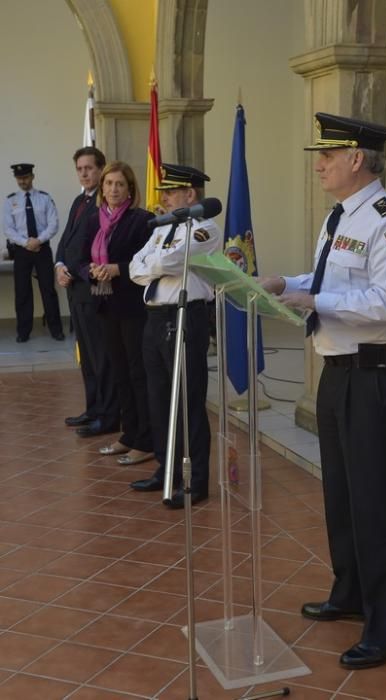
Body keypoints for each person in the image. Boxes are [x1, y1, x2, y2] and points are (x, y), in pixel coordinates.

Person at [261, 113, 386, 670]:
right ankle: (350, 592)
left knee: (374, 500)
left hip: (376, 374)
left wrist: (311, 301)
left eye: (327, 156)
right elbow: (326, 280)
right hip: (338, 370)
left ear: (357, 159)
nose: (319, 164)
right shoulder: (340, 217)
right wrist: (286, 283)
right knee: (342, 494)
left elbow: (385, 304)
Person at [129, 163, 222, 508]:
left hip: (185, 317)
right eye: (164, 192)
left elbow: (173, 261)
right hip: (154, 318)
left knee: (187, 401)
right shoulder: (163, 227)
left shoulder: (204, 228)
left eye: (170, 192)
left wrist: (153, 262)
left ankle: (196, 481)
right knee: (158, 398)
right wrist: (154, 262)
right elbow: (134, 267)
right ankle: (165, 470)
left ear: (190, 194)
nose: (164, 198)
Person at [80, 161, 153, 464]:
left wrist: (116, 269)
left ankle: (146, 441)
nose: (113, 189)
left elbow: (147, 263)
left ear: (130, 189)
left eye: (119, 184)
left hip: (133, 307)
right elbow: (80, 259)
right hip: (105, 304)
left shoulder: (142, 220)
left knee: (138, 374)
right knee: (119, 373)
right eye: (108, 183)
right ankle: (129, 434)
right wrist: (92, 271)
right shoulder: (93, 220)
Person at [55, 147, 120, 437]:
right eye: (79, 169)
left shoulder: (102, 205)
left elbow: (99, 248)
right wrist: (59, 265)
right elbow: (66, 240)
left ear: (101, 169)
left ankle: (108, 415)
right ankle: (93, 408)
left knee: (101, 355)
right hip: (75, 290)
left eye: (89, 168)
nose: (84, 173)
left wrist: (78, 271)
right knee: (87, 355)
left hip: (94, 289)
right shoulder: (79, 200)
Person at [3, 163, 64, 342]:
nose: (23, 181)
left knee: (48, 290)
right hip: (21, 251)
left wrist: (39, 240)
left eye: (26, 177)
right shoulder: (10, 201)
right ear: (16, 179)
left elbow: (53, 224)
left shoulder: (44, 198)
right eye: (20, 178)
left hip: (42, 249)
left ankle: (56, 330)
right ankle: (23, 332)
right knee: (22, 292)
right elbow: (8, 229)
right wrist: (26, 243)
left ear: (32, 177)